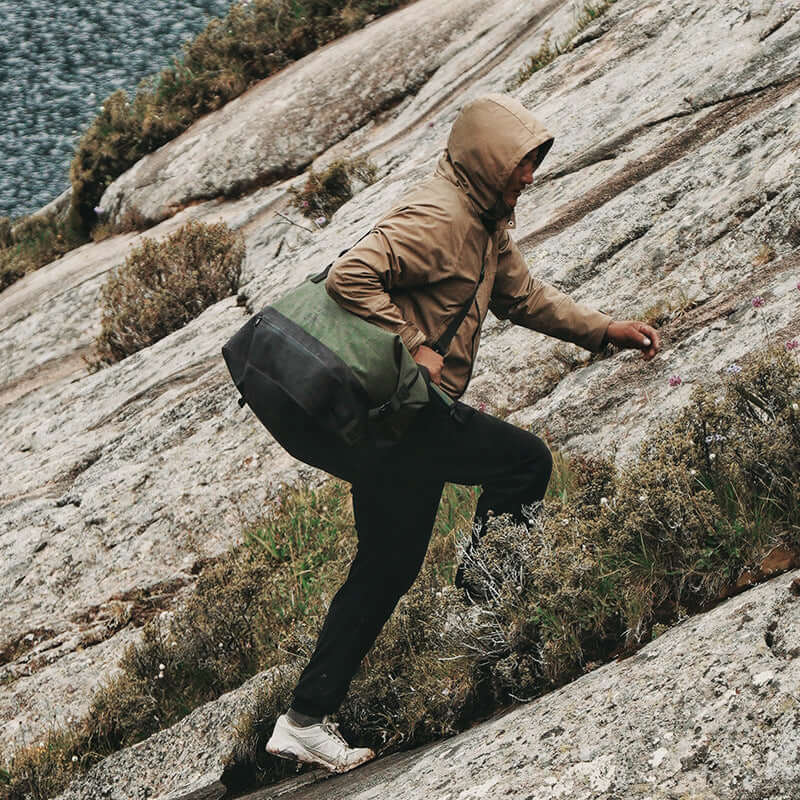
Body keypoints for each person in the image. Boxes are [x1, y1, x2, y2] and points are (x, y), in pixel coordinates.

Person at [265, 94, 660, 772]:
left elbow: (522, 297)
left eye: (533, 164)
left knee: (386, 567)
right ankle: (493, 603)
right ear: (487, 162)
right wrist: (413, 345)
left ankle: (301, 720)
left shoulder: (482, 219)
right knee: (523, 463)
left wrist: (605, 331)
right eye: (521, 167)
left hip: (396, 423)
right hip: (406, 412)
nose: (529, 178)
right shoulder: (439, 215)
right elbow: (350, 276)